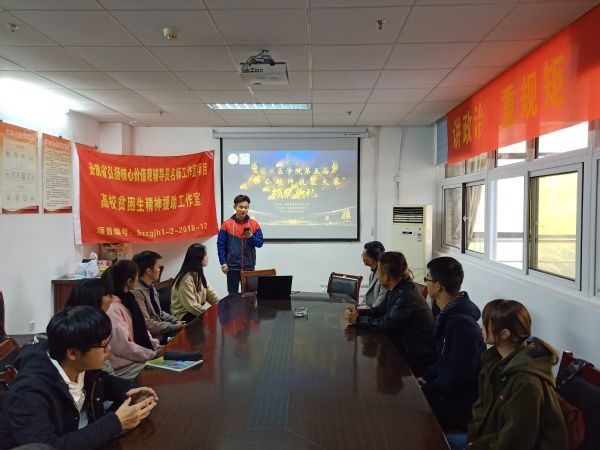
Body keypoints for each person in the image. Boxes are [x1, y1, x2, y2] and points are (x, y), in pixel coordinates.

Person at [0, 306, 158, 450]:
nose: (109, 350)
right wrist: (116, 423)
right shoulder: (29, 394)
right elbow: (47, 447)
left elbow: (105, 381)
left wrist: (133, 392)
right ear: (73, 353)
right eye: (104, 346)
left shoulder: (79, 366)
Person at [446, 299, 569, 450]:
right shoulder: (494, 361)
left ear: (504, 334)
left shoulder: (526, 383)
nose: (481, 327)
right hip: (484, 440)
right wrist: (474, 440)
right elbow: (480, 407)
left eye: (486, 323)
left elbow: (515, 441)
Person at [418, 257, 486, 430]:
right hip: (446, 393)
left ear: (438, 286)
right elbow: (445, 360)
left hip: (459, 405)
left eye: (427, 278)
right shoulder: (447, 313)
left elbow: (458, 377)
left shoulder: (461, 324)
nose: (425, 283)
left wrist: (426, 390)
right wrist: (426, 377)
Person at [344, 251, 437, 377]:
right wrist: (358, 312)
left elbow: (386, 324)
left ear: (387, 277)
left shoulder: (405, 295)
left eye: (379, 273)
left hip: (415, 357)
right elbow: (378, 310)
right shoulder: (396, 287)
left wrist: (358, 320)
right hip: (402, 347)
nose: (377, 277)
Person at [102, 260, 160, 380]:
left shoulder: (128, 300)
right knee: (163, 375)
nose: (139, 279)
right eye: (137, 276)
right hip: (125, 368)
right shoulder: (113, 309)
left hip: (136, 360)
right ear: (129, 281)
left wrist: (156, 346)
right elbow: (123, 347)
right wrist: (152, 354)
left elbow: (142, 330)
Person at [131, 250, 184, 344]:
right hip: (153, 339)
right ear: (148, 271)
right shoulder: (137, 292)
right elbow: (148, 325)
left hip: (161, 331)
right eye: (158, 266)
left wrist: (175, 320)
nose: (160, 269)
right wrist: (174, 326)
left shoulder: (150, 287)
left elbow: (159, 313)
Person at [65, 278, 116, 375]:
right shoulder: (79, 329)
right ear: (94, 298)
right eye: (108, 295)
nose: (112, 299)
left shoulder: (98, 323)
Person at [217, 194, 264, 294]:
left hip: (249, 267)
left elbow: (260, 243)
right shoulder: (226, 224)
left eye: (246, 207)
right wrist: (223, 263)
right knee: (232, 296)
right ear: (235, 207)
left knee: (249, 296)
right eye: (241, 207)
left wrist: (250, 236)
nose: (243, 210)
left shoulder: (254, 224)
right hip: (232, 268)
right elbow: (221, 245)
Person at [171, 243, 220, 322]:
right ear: (198, 258)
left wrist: (221, 306)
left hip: (194, 312)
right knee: (213, 320)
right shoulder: (185, 280)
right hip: (184, 315)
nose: (208, 257)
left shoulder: (198, 274)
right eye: (205, 255)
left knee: (219, 317)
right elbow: (191, 306)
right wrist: (209, 314)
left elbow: (210, 294)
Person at [359, 241, 387, 308]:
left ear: (370, 260)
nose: (362, 257)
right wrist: (360, 307)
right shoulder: (372, 273)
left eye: (363, 255)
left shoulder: (385, 276)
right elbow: (367, 295)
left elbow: (380, 302)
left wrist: (367, 310)